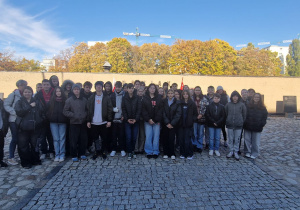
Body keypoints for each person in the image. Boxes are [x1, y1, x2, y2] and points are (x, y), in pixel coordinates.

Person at [14, 86, 44, 168]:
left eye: (29, 92)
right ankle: (26, 162)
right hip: (23, 128)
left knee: (35, 145)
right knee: (23, 146)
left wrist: (40, 120)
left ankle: (35, 160)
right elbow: (19, 112)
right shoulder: (19, 102)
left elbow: (42, 112)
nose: (27, 93)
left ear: (32, 93)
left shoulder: (37, 102)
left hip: (35, 127)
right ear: (23, 93)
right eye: (25, 92)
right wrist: (30, 106)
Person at [86, 81, 113, 160]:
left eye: (100, 86)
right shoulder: (91, 97)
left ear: (102, 87)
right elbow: (88, 110)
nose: (99, 87)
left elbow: (109, 109)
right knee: (96, 138)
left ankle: (103, 151)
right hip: (94, 122)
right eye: (97, 86)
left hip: (104, 121)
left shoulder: (106, 97)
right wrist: (88, 121)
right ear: (95, 87)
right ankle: (97, 151)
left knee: (104, 138)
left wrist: (109, 120)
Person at [4, 79, 27, 165]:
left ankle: (21, 155)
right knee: (14, 138)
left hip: (23, 120)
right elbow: (6, 105)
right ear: (18, 86)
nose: (23, 86)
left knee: (22, 138)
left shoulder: (25, 94)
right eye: (22, 85)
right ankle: (11, 157)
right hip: (14, 120)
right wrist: (14, 112)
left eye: (25, 85)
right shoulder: (13, 94)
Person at [63, 84, 88, 161]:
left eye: (78, 89)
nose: (76, 91)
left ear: (80, 90)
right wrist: (73, 115)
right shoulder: (69, 100)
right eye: (75, 89)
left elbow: (87, 110)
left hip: (82, 122)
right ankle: (74, 154)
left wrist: (85, 115)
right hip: (74, 123)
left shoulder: (84, 100)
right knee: (73, 140)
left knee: (82, 139)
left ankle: (82, 153)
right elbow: (65, 111)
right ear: (73, 90)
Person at [243, 93, 268, 159]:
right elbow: (245, 115)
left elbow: (264, 117)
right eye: (255, 97)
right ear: (253, 98)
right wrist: (245, 123)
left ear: (260, 99)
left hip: (257, 126)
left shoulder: (263, 108)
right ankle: (247, 152)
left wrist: (261, 124)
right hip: (248, 125)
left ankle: (255, 153)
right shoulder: (248, 106)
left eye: (258, 97)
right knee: (247, 140)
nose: (256, 98)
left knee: (255, 142)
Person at [35, 79, 54, 160]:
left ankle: (51, 151)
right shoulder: (38, 94)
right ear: (42, 85)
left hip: (51, 117)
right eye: (44, 84)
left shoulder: (54, 92)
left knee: (51, 136)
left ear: (50, 85)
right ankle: (44, 151)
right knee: (42, 136)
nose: (46, 86)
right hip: (41, 118)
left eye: (47, 84)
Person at [142, 83, 163, 159]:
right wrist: (148, 119)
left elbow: (160, 110)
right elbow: (143, 110)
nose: (152, 89)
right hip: (148, 121)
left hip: (156, 121)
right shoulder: (145, 98)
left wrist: (155, 119)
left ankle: (155, 151)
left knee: (156, 137)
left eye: (154, 88)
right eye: (151, 88)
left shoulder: (159, 98)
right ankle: (148, 151)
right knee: (148, 136)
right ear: (148, 89)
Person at [47, 87, 68, 162]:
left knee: (62, 139)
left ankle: (62, 154)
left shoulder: (65, 101)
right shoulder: (51, 101)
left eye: (59, 91)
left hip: (63, 122)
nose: (58, 93)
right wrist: (50, 117)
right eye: (57, 91)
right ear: (55, 93)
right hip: (53, 122)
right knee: (56, 139)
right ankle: (57, 154)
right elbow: (47, 111)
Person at [122, 83, 142, 160]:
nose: (130, 90)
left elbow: (139, 109)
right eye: (129, 88)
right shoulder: (125, 98)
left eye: (132, 88)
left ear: (134, 89)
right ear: (127, 89)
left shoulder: (137, 98)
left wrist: (135, 119)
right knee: (128, 137)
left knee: (134, 137)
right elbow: (123, 108)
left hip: (135, 121)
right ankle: (129, 151)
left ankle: (133, 150)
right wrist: (127, 119)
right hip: (127, 121)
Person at [225, 91, 246, 160]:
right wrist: (227, 120)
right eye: (234, 96)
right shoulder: (228, 105)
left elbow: (244, 114)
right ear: (231, 97)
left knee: (237, 139)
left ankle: (236, 151)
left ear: (238, 97)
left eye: (236, 96)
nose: (235, 98)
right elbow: (225, 113)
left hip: (238, 125)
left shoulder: (241, 105)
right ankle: (231, 151)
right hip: (230, 124)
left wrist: (241, 121)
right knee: (230, 138)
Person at [162, 89, 181, 160]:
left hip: (173, 124)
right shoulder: (164, 102)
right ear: (167, 94)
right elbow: (163, 112)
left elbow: (178, 114)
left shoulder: (177, 102)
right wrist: (167, 122)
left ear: (173, 94)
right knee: (165, 138)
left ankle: (172, 153)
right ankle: (165, 153)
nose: (170, 94)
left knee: (172, 138)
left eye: (171, 93)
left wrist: (172, 123)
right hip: (165, 123)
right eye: (169, 93)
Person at [178, 90, 197, 159]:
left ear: (188, 95)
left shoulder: (192, 103)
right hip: (181, 124)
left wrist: (192, 120)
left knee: (187, 140)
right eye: (184, 94)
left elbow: (195, 114)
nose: (185, 95)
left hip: (188, 125)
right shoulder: (180, 103)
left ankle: (189, 153)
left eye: (186, 94)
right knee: (181, 139)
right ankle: (182, 153)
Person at [110, 81, 126, 157]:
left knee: (121, 135)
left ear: (121, 87)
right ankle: (113, 149)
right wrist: (113, 109)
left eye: (119, 87)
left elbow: (126, 107)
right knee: (113, 135)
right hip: (114, 118)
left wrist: (124, 115)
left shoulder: (124, 95)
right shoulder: (112, 95)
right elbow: (109, 106)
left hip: (121, 118)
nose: (118, 88)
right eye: (117, 87)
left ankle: (122, 149)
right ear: (115, 87)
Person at [192, 86, 209, 153]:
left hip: (202, 119)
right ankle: (194, 145)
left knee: (201, 133)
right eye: (196, 90)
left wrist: (201, 114)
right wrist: (195, 116)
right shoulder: (192, 99)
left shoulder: (204, 99)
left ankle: (199, 146)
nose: (197, 91)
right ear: (194, 91)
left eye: (199, 90)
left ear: (201, 91)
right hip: (194, 118)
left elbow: (206, 107)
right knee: (194, 133)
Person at [135, 87, 146, 154]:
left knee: (142, 135)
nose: (140, 92)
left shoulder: (145, 99)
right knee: (136, 135)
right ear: (137, 92)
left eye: (142, 91)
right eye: (139, 91)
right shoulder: (135, 98)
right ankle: (136, 148)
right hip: (136, 119)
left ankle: (141, 148)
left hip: (143, 119)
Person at [0, 99, 9, 167]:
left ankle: (0, 160)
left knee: (1, 146)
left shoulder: (1, 102)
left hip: (1, 127)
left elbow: (5, 115)